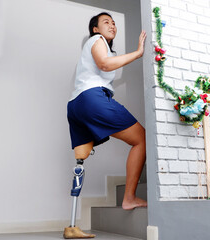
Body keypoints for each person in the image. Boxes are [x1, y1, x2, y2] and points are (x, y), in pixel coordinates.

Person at [67, 12, 147, 210]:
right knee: (141, 139)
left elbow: (105, 64)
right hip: (92, 99)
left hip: (76, 105)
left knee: (82, 157)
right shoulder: (97, 39)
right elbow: (104, 63)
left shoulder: (105, 50)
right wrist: (138, 53)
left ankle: (72, 223)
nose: (112, 25)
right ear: (95, 29)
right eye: (106, 22)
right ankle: (129, 197)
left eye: (113, 23)